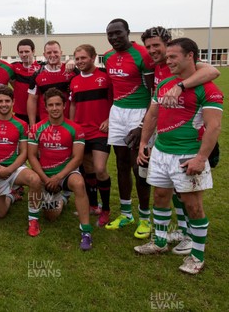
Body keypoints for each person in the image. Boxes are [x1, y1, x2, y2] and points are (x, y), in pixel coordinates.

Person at [134, 38, 223, 275]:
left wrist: (201, 159)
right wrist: (144, 143)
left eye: (173, 56)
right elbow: (152, 115)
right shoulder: (164, 84)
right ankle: (160, 242)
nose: (168, 60)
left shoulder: (208, 87)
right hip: (162, 152)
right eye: (168, 56)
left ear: (190, 56)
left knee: (193, 206)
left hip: (188, 155)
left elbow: (213, 127)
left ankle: (197, 256)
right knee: (161, 196)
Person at [103, 18, 154, 239]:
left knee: (138, 166)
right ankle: (126, 214)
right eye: (110, 34)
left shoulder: (143, 54)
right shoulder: (108, 57)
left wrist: (143, 124)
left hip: (139, 112)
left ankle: (144, 218)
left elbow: (154, 92)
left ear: (128, 32)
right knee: (121, 164)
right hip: (118, 112)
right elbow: (112, 88)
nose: (114, 38)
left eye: (118, 33)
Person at [27, 88, 93, 251]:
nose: (55, 108)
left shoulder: (75, 129)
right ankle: (63, 198)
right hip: (45, 176)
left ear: (64, 105)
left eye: (58, 104)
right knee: (51, 216)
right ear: (46, 107)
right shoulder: (36, 129)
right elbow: (32, 156)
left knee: (78, 183)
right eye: (51, 105)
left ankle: (86, 233)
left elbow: (77, 158)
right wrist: (44, 178)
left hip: (65, 174)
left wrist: (58, 177)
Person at [69, 44, 113, 227]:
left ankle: (106, 209)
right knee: (87, 169)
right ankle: (93, 205)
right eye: (77, 58)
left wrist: (110, 120)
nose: (80, 62)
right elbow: (72, 105)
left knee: (100, 168)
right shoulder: (74, 81)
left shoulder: (105, 78)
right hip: (81, 132)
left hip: (100, 131)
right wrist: (72, 128)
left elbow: (116, 100)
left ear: (93, 57)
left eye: (83, 58)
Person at [0, 86, 38, 218]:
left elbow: (24, 152)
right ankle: (12, 196)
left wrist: (9, 170)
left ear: (13, 102)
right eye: (0, 101)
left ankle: (33, 220)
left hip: (14, 169)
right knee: (0, 214)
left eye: (7, 101)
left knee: (35, 180)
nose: (4, 104)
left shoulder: (21, 124)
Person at [27, 40, 78, 127]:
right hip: (45, 124)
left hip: (68, 124)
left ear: (61, 53)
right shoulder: (37, 74)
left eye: (55, 52)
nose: (52, 55)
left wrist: (72, 61)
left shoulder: (73, 71)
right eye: (49, 52)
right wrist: (32, 125)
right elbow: (32, 100)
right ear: (44, 55)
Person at [11, 39, 41, 123]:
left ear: (33, 51)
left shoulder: (41, 68)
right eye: (21, 52)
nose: (24, 54)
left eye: (27, 51)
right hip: (19, 114)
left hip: (38, 114)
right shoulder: (14, 67)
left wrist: (70, 61)